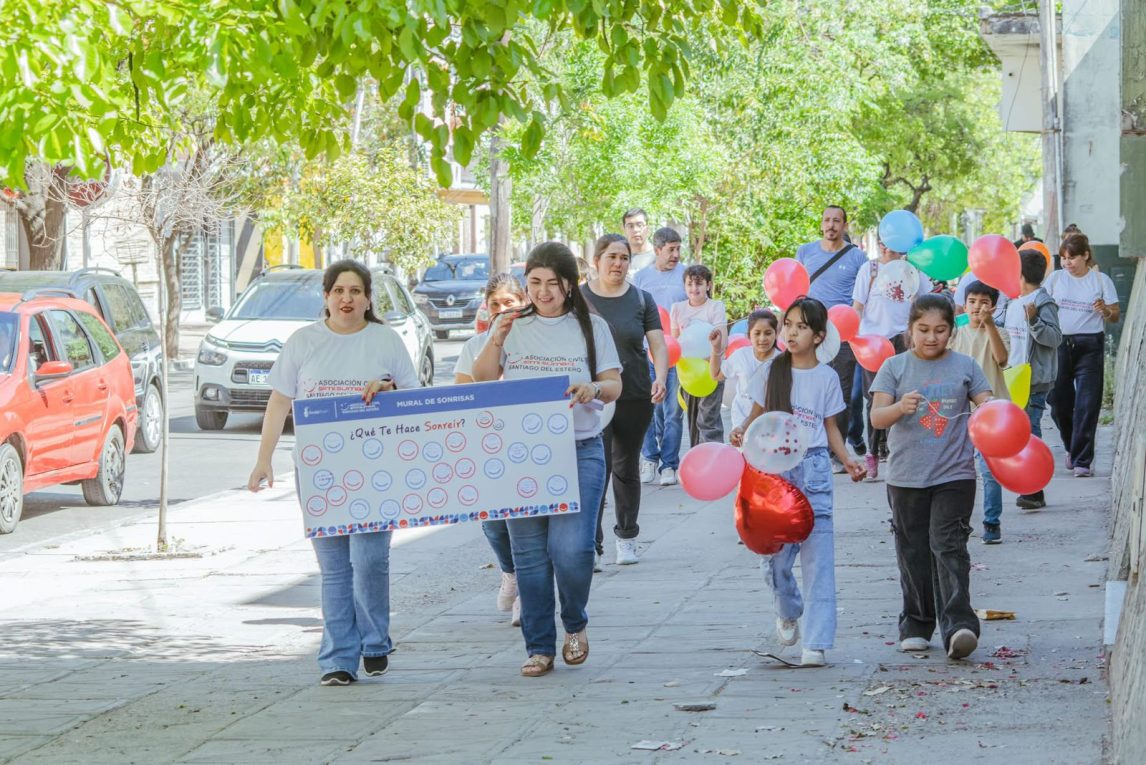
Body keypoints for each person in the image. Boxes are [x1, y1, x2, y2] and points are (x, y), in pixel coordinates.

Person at [248, 260, 420, 686]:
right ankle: (338, 660)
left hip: (377, 471)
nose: (347, 299)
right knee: (336, 569)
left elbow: (415, 399)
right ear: (325, 296)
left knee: (369, 560)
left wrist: (389, 389)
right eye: (339, 291)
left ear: (368, 299)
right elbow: (278, 403)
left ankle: (375, 641)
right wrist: (263, 459)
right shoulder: (303, 342)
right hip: (319, 472)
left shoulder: (386, 340)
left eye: (356, 291)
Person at [473, 242, 622, 678]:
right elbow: (482, 381)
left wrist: (593, 389)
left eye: (551, 283)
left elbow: (613, 383)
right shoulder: (511, 326)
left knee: (573, 549)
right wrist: (496, 338)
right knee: (530, 556)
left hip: (580, 450)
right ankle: (539, 647)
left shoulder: (592, 328)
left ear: (569, 285)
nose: (542, 292)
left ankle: (574, 622)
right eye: (533, 283)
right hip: (521, 457)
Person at [729, 298, 865, 668]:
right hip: (774, 472)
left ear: (819, 336)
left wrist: (849, 459)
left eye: (801, 326)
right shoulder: (772, 371)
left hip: (815, 468)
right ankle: (788, 607)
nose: (791, 332)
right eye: (788, 324)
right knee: (775, 558)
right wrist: (741, 430)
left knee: (819, 560)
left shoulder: (827, 377)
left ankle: (816, 642)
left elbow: (830, 427)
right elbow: (755, 415)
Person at [870, 294, 994, 660]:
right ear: (910, 330)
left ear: (950, 332)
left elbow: (986, 403)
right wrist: (898, 407)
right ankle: (916, 623)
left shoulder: (966, 366)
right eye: (923, 330)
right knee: (912, 552)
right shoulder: (893, 367)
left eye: (940, 330)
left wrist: (989, 409)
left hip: (955, 474)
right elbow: (877, 418)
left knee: (949, 546)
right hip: (906, 478)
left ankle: (959, 626)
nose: (931, 337)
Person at [581, 234, 668, 568]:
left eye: (624, 258)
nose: (618, 264)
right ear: (597, 260)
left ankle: (627, 537)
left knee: (625, 467)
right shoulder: (579, 299)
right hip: (592, 397)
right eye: (612, 257)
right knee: (594, 470)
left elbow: (657, 345)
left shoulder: (641, 299)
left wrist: (659, 377)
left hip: (634, 394)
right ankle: (591, 544)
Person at [455, 273, 529, 625]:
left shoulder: (536, 343)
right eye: (495, 304)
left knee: (527, 522)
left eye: (509, 303)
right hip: (487, 447)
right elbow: (461, 393)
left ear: (523, 302)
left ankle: (528, 596)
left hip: (528, 445)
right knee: (494, 524)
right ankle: (510, 571)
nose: (502, 310)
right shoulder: (474, 346)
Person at [851, 237, 931, 479]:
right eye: (886, 242)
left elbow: (927, 302)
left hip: (903, 339)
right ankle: (873, 453)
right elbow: (857, 306)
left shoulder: (912, 270)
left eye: (896, 242)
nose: (891, 248)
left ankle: (903, 451)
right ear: (880, 243)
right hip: (873, 343)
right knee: (874, 398)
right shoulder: (870, 269)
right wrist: (854, 336)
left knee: (906, 395)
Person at [796, 206, 868, 472]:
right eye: (827, 220)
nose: (831, 225)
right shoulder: (805, 252)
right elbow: (796, 290)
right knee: (807, 389)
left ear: (845, 225)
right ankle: (810, 446)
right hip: (810, 332)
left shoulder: (858, 257)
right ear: (821, 223)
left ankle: (837, 453)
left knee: (842, 392)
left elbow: (863, 294)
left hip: (844, 334)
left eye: (837, 221)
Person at [1044, 234, 1120, 477]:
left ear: (1085, 256)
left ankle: (1082, 461)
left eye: (1072, 258)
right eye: (1064, 258)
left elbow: (1115, 315)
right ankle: (1071, 446)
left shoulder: (1101, 280)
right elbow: (1041, 307)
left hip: (1090, 345)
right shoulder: (1055, 279)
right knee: (1058, 402)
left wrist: (1105, 309)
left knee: (1087, 404)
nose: (1067, 263)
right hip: (1059, 345)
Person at [949, 281, 1010, 544]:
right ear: (964, 304)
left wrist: (990, 326)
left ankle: (992, 522)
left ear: (993, 307)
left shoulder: (999, 332)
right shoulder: (956, 333)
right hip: (959, 412)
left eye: (984, 302)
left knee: (988, 470)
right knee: (958, 469)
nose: (977, 307)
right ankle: (958, 521)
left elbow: (1002, 359)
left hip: (991, 412)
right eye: (972, 301)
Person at [1003, 250, 1062, 509]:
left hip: (1033, 379)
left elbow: (1054, 338)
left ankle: (1035, 489)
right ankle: (1028, 484)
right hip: (1012, 377)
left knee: (1030, 431)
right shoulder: (1014, 301)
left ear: (1021, 274)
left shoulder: (1042, 303)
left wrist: (1035, 320)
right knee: (1020, 432)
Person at [633, 227, 687, 485]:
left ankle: (669, 465)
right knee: (647, 409)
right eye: (671, 249)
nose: (676, 254)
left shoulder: (686, 275)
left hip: (676, 354)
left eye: (678, 248)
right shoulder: (641, 278)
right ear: (657, 250)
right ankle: (650, 459)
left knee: (672, 410)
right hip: (647, 353)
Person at [671, 264, 726, 446]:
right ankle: (696, 460)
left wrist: (707, 360)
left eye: (699, 284)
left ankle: (714, 460)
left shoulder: (715, 306)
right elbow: (675, 342)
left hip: (712, 370)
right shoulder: (677, 308)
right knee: (693, 420)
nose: (694, 288)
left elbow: (722, 341)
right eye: (690, 284)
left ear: (708, 285)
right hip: (688, 374)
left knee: (708, 420)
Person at [708, 309, 778, 430]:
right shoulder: (741, 356)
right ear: (748, 335)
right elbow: (716, 375)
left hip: (770, 424)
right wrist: (716, 348)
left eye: (768, 333)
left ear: (776, 334)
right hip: (740, 422)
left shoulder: (781, 361)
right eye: (757, 333)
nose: (762, 338)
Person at [623, 208, 656, 274]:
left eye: (639, 225)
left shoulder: (659, 257)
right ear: (624, 229)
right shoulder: (619, 257)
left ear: (647, 228)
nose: (635, 230)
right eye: (630, 226)